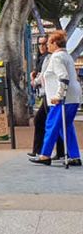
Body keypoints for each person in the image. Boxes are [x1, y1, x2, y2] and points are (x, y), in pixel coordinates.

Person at [30, 31, 82, 166]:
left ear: (54, 43)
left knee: (51, 125)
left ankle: (45, 155)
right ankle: (74, 155)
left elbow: (63, 77)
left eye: (48, 43)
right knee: (66, 127)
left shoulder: (56, 57)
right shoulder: (67, 56)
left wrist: (58, 95)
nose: (47, 46)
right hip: (73, 97)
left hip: (62, 99)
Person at [29, 35, 64, 158]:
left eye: (46, 43)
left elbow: (60, 77)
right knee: (48, 122)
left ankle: (46, 152)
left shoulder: (52, 57)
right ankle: (44, 151)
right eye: (40, 44)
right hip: (48, 94)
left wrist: (34, 81)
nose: (43, 46)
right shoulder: (42, 58)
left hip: (51, 95)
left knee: (48, 122)